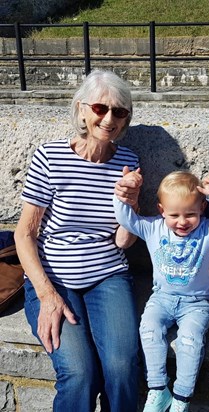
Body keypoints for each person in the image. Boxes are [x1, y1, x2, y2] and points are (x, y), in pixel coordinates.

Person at [14, 69, 140, 412]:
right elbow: (24, 233)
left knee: (123, 367)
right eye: (101, 108)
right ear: (82, 109)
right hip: (52, 278)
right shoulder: (50, 157)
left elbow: (123, 241)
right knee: (80, 373)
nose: (109, 118)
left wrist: (130, 205)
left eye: (120, 112)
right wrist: (46, 295)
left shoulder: (128, 162)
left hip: (107, 275)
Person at [113, 170, 209, 412]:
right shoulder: (153, 228)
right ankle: (158, 389)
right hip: (161, 297)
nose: (182, 222)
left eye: (190, 214)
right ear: (161, 210)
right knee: (149, 330)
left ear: (201, 209)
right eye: (174, 215)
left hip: (197, 302)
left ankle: (181, 398)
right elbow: (127, 219)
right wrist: (124, 191)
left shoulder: (207, 230)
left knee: (189, 341)